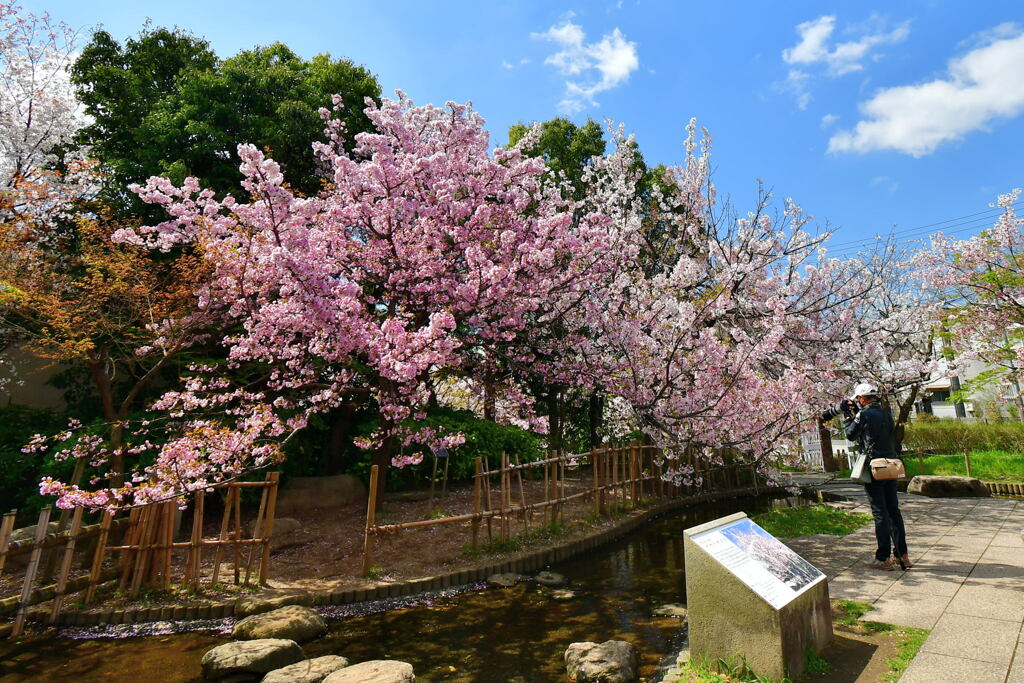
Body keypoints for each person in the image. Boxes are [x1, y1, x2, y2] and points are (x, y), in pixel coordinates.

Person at [843, 382, 910, 570]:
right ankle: (902, 555)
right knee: (894, 511)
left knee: (880, 512)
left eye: (859, 399)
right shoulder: (887, 413)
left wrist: (848, 416)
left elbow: (850, 435)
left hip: (874, 468)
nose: (858, 402)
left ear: (863, 398)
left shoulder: (863, 414)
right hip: (891, 465)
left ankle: (883, 558)